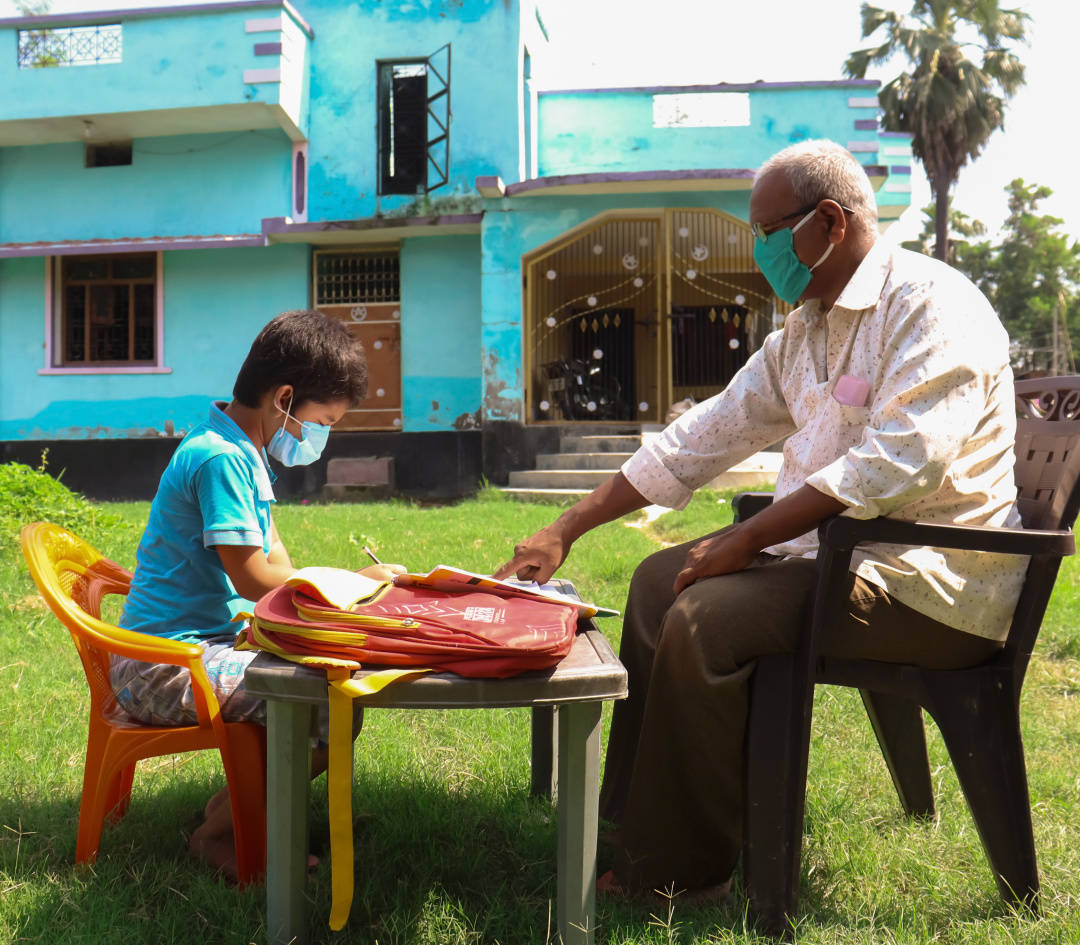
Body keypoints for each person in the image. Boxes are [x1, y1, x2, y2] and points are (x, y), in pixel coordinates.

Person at [494, 140, 1027, 901]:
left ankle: (678, 872)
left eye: (767, 232)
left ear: (829, 222)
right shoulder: (807, 330)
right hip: (839, 559)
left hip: (930, 582)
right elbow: (705, 432)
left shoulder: (929, 305)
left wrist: (746, 537)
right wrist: (569, 525)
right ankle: (631, 823)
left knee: (705, 616)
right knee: (654, 584)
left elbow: (898, 463)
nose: (758, 251)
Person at [110, 309, 403, 879]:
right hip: (161, 663)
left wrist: (335, 591)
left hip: (202, 646)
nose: (322, 435)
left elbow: (279, 567)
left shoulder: (242, 451)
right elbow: (252, 578)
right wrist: (350, 585)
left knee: (337, 691)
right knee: (325, 705)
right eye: (323, 420)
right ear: (285, 397)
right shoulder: (221, 459)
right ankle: (216, 833)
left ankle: (233, 810)